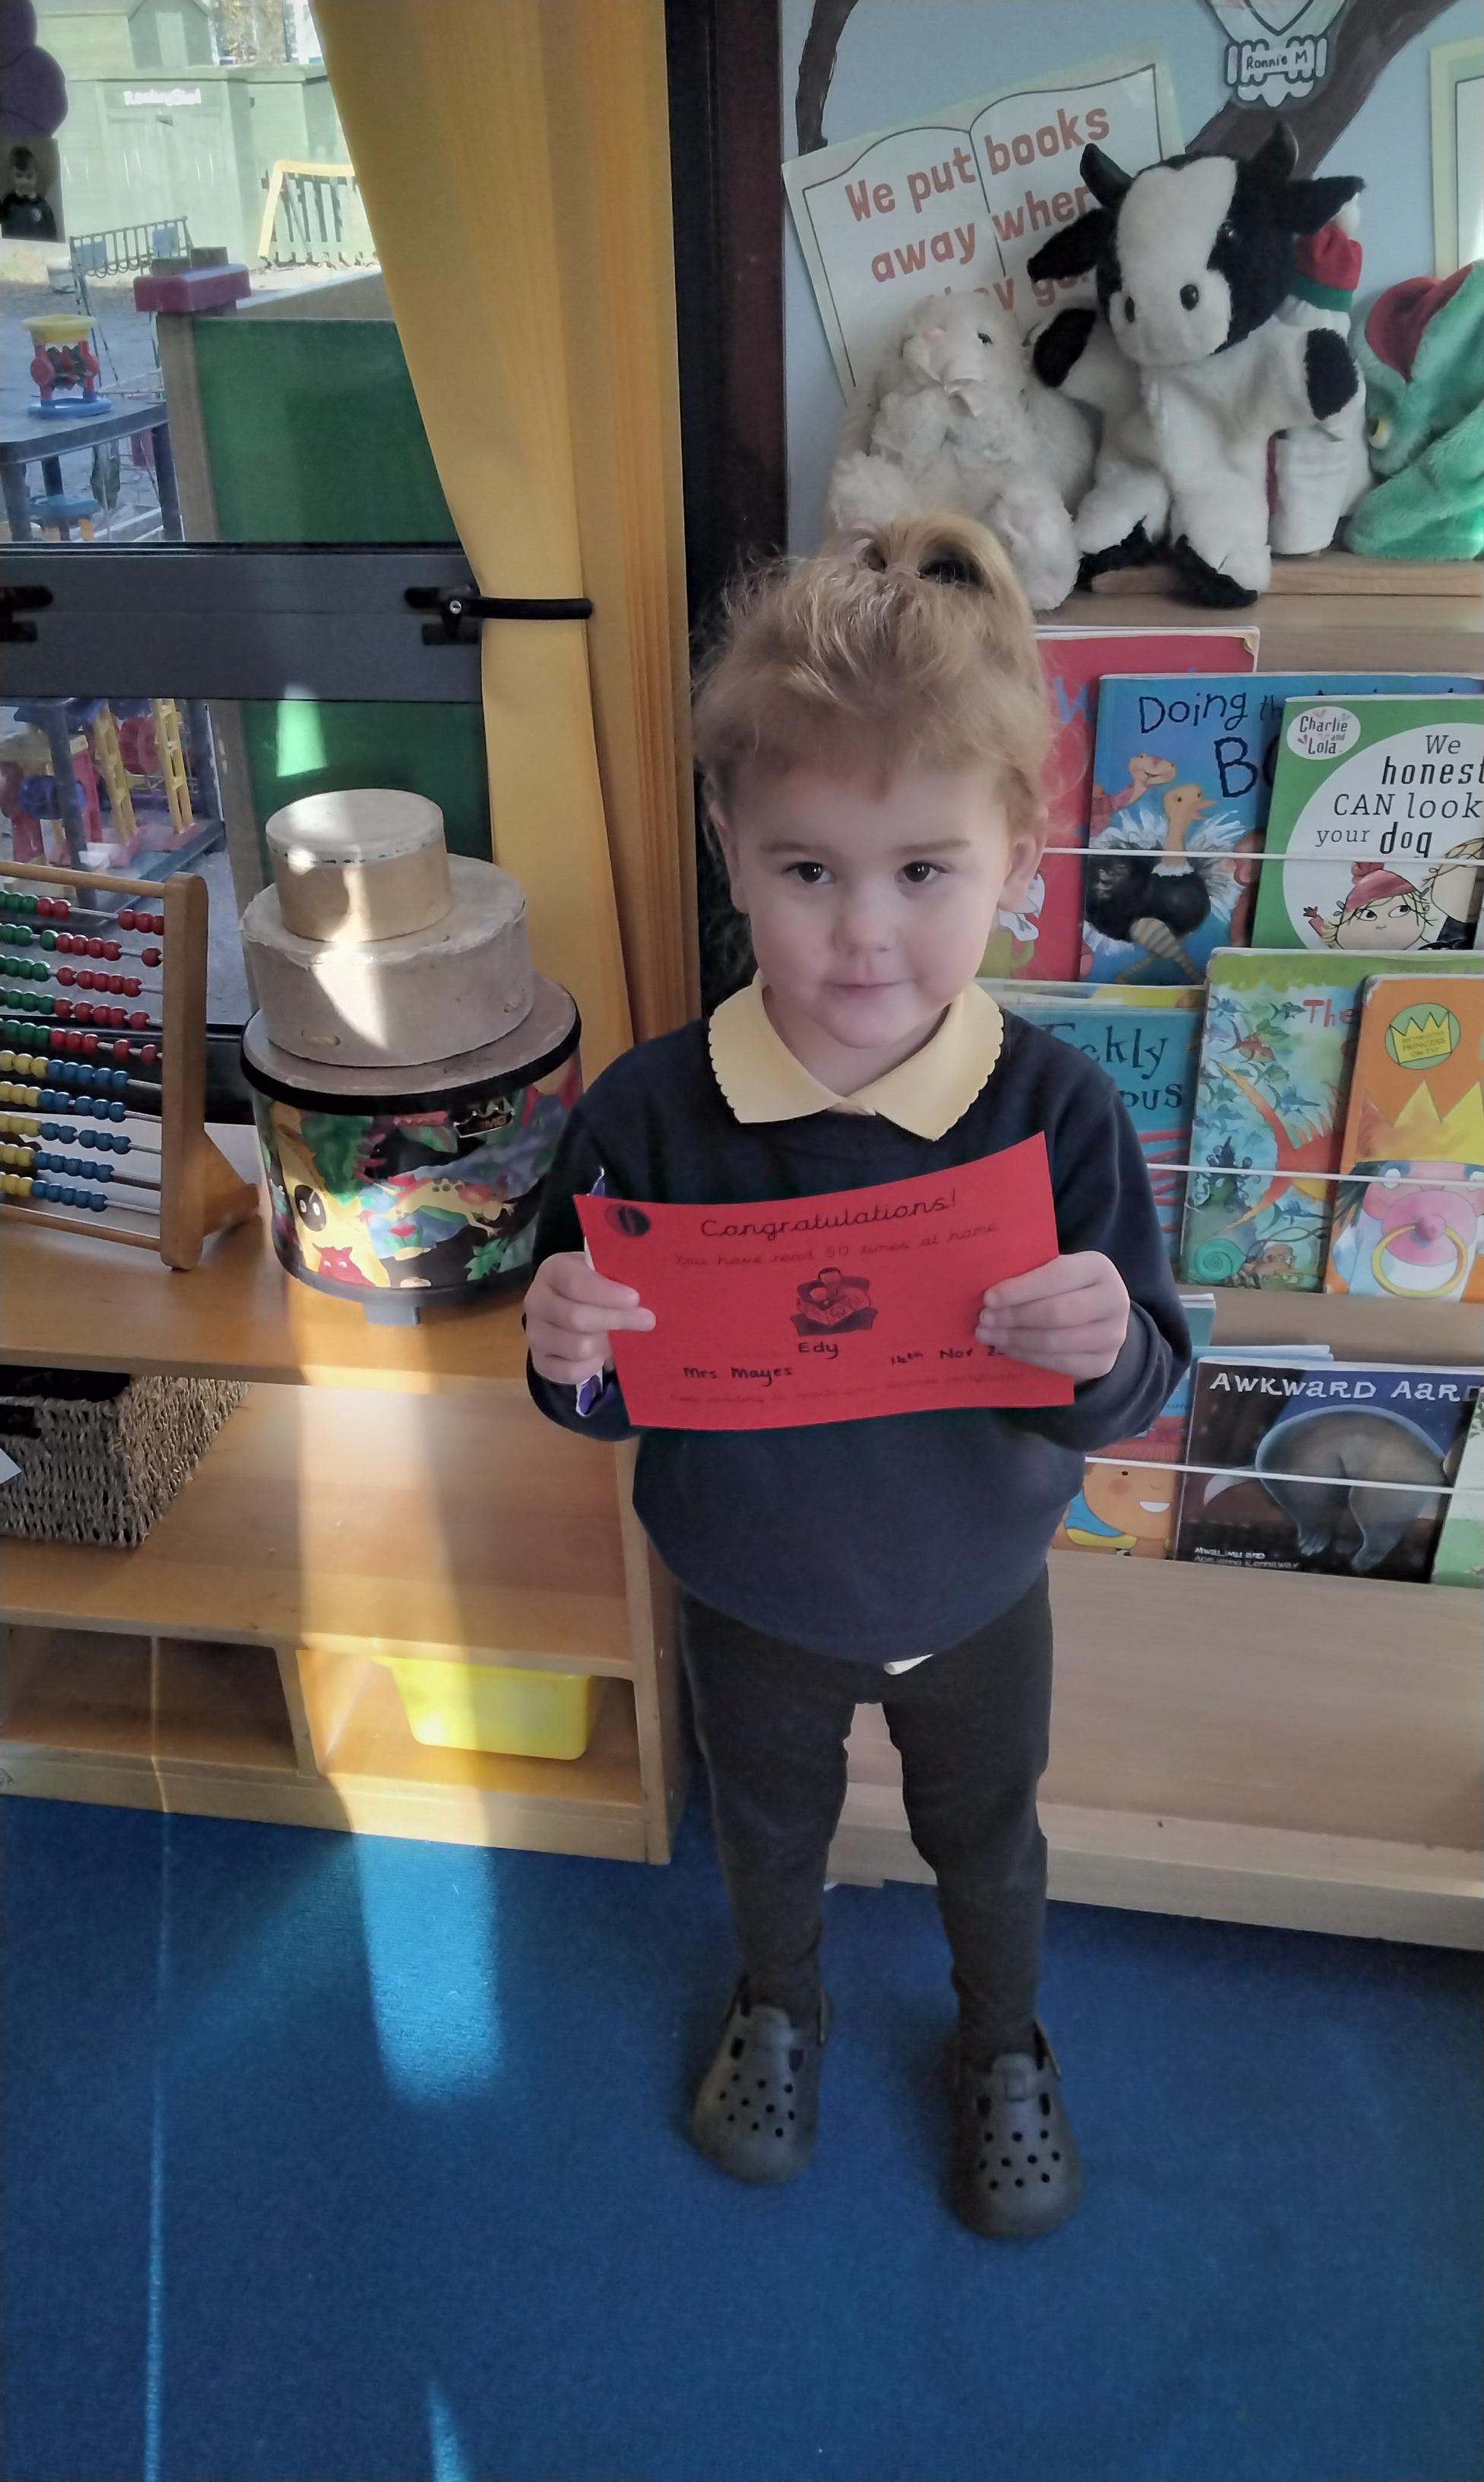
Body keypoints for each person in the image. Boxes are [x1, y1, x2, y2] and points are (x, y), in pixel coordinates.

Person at [525, 513, 1189, 2240]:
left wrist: (1104, 1346)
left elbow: (1139, 1378)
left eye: (924, 871)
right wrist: (566, 1353)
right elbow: (601, 1382)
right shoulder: (650, 1113)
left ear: (1019, 852)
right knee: (766, 1831)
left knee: (992, 1839)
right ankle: (780, 2001)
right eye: (809, 870)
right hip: (748, 1592)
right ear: (729, 849)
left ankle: (1002, 2039)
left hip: (977, 1590)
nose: (865, 936)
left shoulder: (1055, 1111)